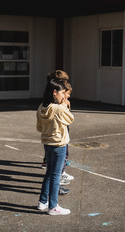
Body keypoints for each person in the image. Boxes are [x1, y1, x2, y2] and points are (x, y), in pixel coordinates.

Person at [36, 78, 74, 215]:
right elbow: (70, 118)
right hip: (59, 144)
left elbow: (39, 127)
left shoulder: (41, 107)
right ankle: (53, 206)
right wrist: (64, 105)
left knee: (49, 173)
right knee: (56, 176)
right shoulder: (58, 108)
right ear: (54, 92)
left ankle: (42, 202)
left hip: (47, 143)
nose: (63, 96)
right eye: (62, 92)